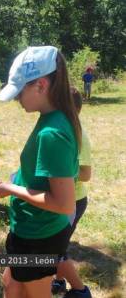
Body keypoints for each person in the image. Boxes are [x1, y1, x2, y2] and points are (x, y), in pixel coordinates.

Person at [0, 46, 92, 298]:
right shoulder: (51, 117)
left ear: (41, 85)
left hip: (39, 236)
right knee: (11, 285)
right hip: (29, 228)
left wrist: (11, 189)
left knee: (34, 293)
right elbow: (44, 170)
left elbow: (64, 204)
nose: (17, 99)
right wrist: (20, 176)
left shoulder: (52, 132)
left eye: (19, 91)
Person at [52, 87, 92, 296]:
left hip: (73, 201)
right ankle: (59, 281)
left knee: (56, 248)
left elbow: (86, 174)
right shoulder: (61, 130)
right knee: (58, 246)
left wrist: (61, 172)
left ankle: (80, 290)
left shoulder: (79, 135)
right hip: (61, 199)